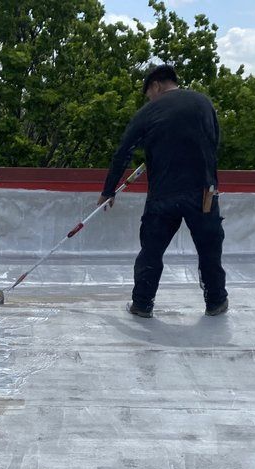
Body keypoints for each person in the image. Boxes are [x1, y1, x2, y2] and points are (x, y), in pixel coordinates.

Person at [99, 64, 227, 319]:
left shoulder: (148, 112)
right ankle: (216, 302)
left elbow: (123, 152)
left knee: (151, 250)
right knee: (209, 248)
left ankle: (142, 304)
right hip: (203, 192)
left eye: (149, 92)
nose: (149, 98)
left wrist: (108, 190)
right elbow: (214, 141)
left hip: (163, 195)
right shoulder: (203, 103)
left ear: (156, 85)